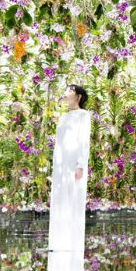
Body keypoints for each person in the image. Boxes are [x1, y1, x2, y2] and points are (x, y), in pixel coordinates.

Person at [48, 84, 91, 253]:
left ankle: (72, 243)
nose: (65, 94)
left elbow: (83, 140)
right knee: (60, 198)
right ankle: (59, 242)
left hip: (74, 163)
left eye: (69, 91)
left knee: (73, 197)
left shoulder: (83, 115)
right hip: (60, 164)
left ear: (78, 96)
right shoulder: (63, 117)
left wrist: (81, 164)